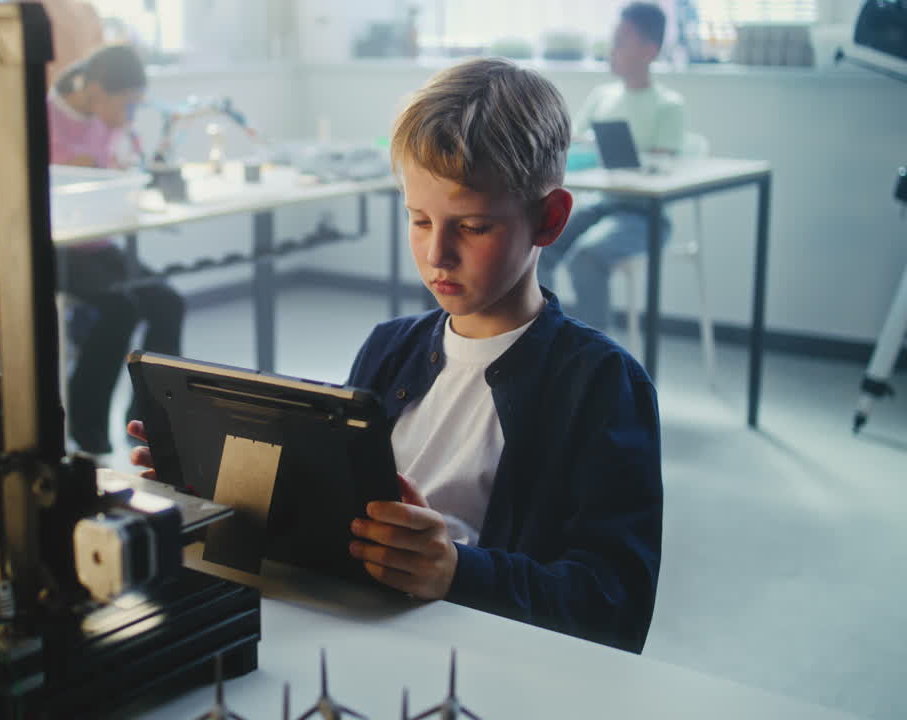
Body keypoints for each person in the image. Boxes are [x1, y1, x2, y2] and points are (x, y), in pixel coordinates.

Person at [129, 57, 663, 654]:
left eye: (474, 227)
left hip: (477, 659)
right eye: (418, 219)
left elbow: (616, 604)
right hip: (360, 635)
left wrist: (458, 571)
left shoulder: (601, 384)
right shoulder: (390, 347)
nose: (437, 253)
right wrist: (211, 479)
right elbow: (331, 517)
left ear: (549, 219)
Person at [49, 44, 186, 455]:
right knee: (119, 308)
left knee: (167, 301)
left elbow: (117, 172)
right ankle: (85, 421)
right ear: (94, 90)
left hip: (101, 243)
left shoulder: (111, 124)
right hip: (57, 249)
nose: (128, 115)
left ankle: (149, 420)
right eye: (125, 104)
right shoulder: (42, 117)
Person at [537, 1, 686, 332]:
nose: (613, 46)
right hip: (602, 204)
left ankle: (593, 357)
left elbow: (663, 168)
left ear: (650, 49)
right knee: (538, 244)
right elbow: (571, 143)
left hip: (645, 215)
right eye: (613, 37)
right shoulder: (602, 96)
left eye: (623, 38)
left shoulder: (668, 106)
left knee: (587, 259)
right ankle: (544, 336)